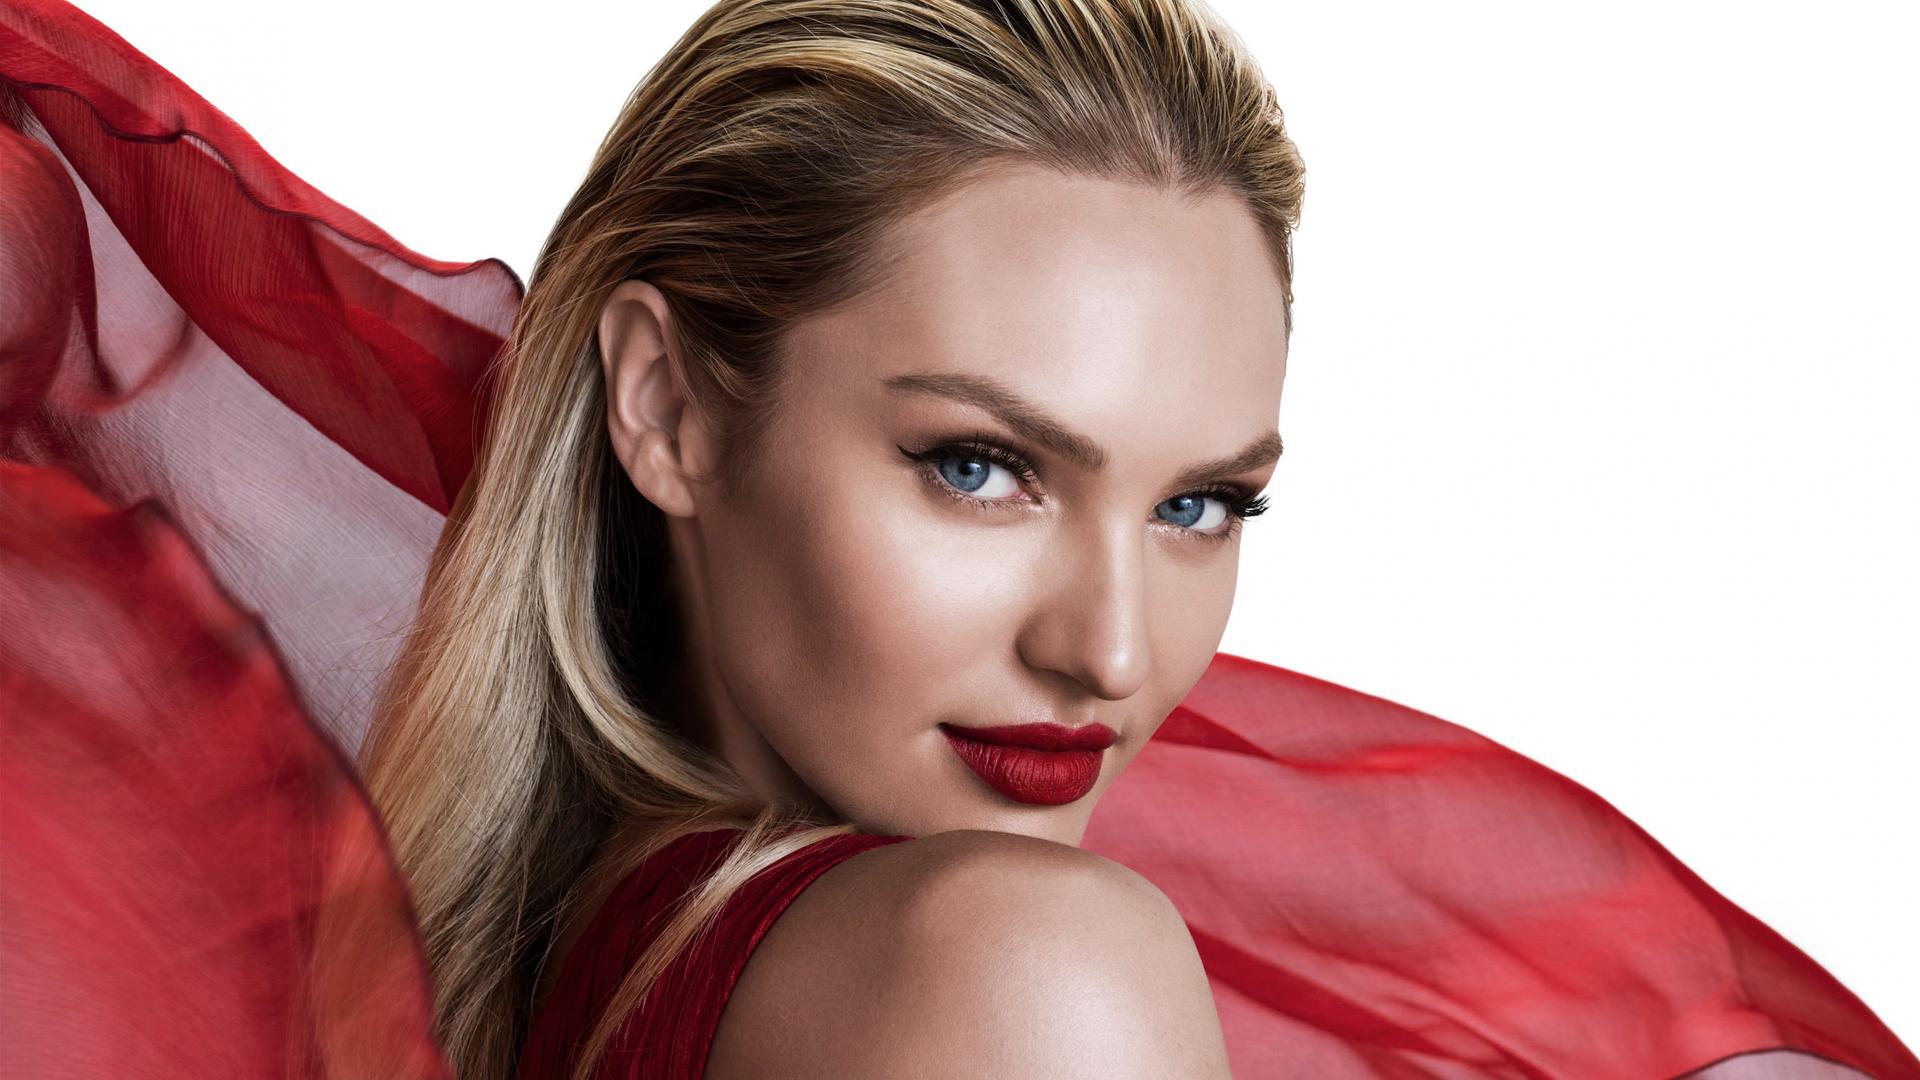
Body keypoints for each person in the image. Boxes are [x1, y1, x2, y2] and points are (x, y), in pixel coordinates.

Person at [1, 1, 1914, 1078]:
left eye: (1200, 504)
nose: (1112, 649)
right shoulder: (1012, 968)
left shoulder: (568, 980)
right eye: (984, 468)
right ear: (666, 407)